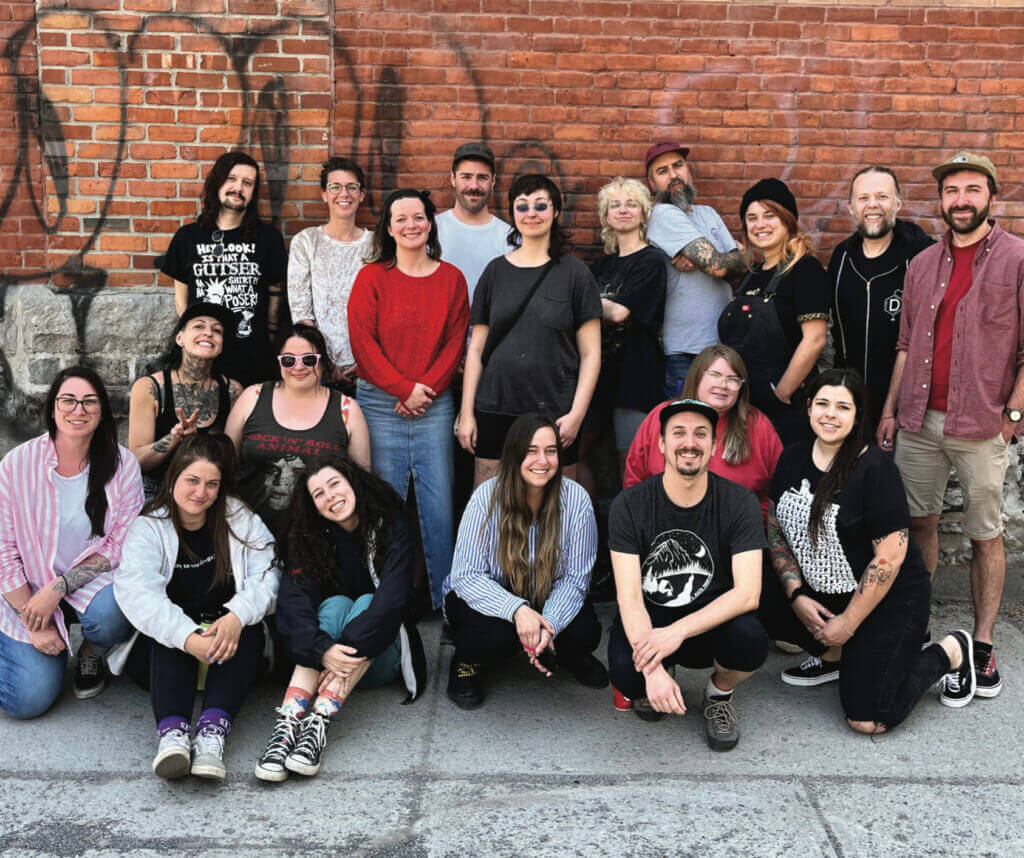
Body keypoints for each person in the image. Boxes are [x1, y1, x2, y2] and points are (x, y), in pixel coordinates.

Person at [877, 151, 1024, 700]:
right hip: (917, 420)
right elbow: (907, 344)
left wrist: (1011, 416)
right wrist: (890, 410)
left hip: (982, 423)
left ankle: (982, 643)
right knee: (919, 526)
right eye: (952, 191)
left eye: (972, 190)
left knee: (987, 535)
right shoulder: (921, 264)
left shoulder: (1016, 258)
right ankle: (917, 625)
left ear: (990, 195)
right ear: (940, 200)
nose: (961, 200)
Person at [760, 369, 978, 731]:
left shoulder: (875, 469)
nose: (831, 414)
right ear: (809, 407)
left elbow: (888, 560)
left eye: (843, 407)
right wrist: (795, 594)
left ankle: (950, 652)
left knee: (868, 717)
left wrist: (847, 623)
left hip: (889, 598)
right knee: (756, 591)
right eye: (823, 404)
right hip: (821, 589)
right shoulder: (792, 458)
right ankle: (834, 657)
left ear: (858, 415)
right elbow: (777, 531)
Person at [110, 434, 281, 780]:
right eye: (192, 480)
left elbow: (270, 570)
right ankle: (172, 736)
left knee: (246, 628)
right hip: (166, 657)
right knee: (167, 631)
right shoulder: (149, 527)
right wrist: (189, 638)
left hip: (229, 649)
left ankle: (211, 736)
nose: (200, 492)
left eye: (211, 484)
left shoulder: (237, 517)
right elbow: (137, 593)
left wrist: (235, 616)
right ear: (173, 477)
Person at [607, 398, 767, 751]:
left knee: (751, 640)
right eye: (678, 433)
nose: (689, 442)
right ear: (662, 444)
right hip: (652, 616)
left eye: (700, 434)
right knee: (626, 674)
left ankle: (718, 695)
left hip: (710, 624)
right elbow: (629, 596)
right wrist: (652, 669)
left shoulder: (738, 502)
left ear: (714, 445)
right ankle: (663, 675)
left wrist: (675, 634)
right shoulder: (629, 505)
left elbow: (748, 594)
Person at [254, 458, 426, 781]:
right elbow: (294, 603)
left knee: (366, 602)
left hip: (380, 654)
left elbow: (392, 601)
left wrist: (335, 652)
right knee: (334, 606)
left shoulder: (389, 524)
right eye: (318, 494)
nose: (330, 497)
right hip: (326, 658)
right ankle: (288, 727)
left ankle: (319, 720)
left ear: (353, 482)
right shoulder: (310, 537)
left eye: (335, 484)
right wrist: (321, 650)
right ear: (313, 507)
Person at [348, 188, 470, 608]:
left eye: (418, 217)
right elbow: (363, 343)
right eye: (401, 219)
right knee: (384, 499)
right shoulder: (372, 277)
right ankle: (384, 595)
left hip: (435, 402)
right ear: (388, 227)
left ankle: (445, 598)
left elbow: (456, 343)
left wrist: (424, 391)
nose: (411, 225)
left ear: (430, 222)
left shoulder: (451, 278)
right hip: (381, 403)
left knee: (438, 500)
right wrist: (403, 389)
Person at [0, 367, 143, 717]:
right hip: (25, 587)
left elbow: (121, 545)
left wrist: (60, 587)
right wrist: (34, 621)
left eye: (89, 402)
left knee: (116, 613)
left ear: (102, 411)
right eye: (68, 400)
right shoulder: (17, 465)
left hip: (88, 583)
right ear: (52, 408)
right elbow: (3, 550)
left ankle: (91, 651)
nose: (78, 410)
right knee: (27, 701)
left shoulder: (123, 466)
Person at [444, 414, 607, 709]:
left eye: (551, 451)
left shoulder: (577, 501)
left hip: (546, 597)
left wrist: (549, 625)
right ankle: (466, 661)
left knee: (584, 633)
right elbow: (466, 576)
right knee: (491, 638)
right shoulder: (486, 498)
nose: (542, 461)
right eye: (531, 451)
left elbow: (575, 580)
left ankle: (562, 651)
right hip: (492, 600)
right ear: (514, 455)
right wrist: (517, 611)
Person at [457, 173, 601, 486]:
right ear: (513, 214)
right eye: (522, 207)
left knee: (559, 506)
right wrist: (467, 413)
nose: (531, 214)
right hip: (496, 405)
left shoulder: (576, 275)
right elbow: (476, 349)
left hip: (557, 410)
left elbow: (591, 354)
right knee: (490, 503)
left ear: (556, 212)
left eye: (540, 206)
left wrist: (577, 414)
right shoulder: (495, 272)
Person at [225, 322, 370, 539]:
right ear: (279, 362)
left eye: (309, 360)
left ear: (322, 362)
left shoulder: (347, 410)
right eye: (289, 360)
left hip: (319, 542)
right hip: (249, 537)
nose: (298, 367)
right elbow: (226, 463)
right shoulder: (252, 397)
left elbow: (361, 482)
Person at [160, 150, 287, 386]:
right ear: (217, 182)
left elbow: (275, 296)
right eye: (231, 179)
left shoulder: (268, 239)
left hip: (252, 357)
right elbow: (182, 300)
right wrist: (194, 339)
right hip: (202, 357)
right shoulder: (187, 237)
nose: (238, 188)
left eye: (247, 183)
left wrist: (267, 336)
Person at [718, 178, 829, 445]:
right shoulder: (751, 274)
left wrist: (782, 392)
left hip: (785, 410)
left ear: (787, 220)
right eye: (752, 217)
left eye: (770, 215)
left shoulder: (804, 270)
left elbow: (815, 339)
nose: (760, 224)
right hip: (744, 408)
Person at [828, 166, 934, 432]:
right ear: (851, 207)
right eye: (863, 198)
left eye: (882, 197)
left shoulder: (922, 257)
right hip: (849, 406)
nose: (872, 205)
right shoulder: (841, 257)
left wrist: (894, 408)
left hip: (908, 410)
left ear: (898, 202)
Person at [623, 345, 783, 520]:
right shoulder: (663, 417)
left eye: (733, 379)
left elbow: (779, 490)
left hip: (737, 535)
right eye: (715, 375)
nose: (723, 385)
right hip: (663, 528)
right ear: (697, 376)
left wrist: (751, 523)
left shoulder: (757, 425)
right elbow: (635, 479)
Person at [644, 141, 746, 398]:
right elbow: (719, 266)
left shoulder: (708, 213)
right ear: (651, 184)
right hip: (686, 354)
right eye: (662, 171)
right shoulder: (663, 214)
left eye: (678, 166)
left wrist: (739, 258)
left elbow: (735, 270)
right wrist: (743, 255)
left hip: (722, 348)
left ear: (689, 171)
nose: (673, 175)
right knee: (687, 430)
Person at [582, 176, 666, 482]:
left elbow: (619, 312)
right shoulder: (601, 266)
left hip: (635, 376)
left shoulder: (652, 261)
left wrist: (581, 299)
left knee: (630, 465)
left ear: (643, 213)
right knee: (574, 454)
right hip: (594, 376)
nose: (623, 210)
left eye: (632, 204)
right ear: (605, 215)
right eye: (614, 205)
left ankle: (631, 530)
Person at [129, 302, 242, 499]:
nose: (208, 333)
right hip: (158, 491)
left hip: (206, 493)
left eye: (217, 330)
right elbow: (136, 461)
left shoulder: (232, 390)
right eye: (199, 326)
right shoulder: (149, 387)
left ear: (221, 345)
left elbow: (234, 461)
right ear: (180, 338)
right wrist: (174, 438)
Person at [287, 157, 372, 394]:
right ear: (324, 194)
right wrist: (324, 362)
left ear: (362, 194)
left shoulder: (376, 245)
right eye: (335, 187)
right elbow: (301, 313)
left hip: (370, 370)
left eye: (352, 187)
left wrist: (366, 361)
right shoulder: (306, 242)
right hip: (319, 369)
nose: (343, 194)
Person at [436, 142, 510, 309]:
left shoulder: (509, 237)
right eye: (466, 177)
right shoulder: (430, 230)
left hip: (490, 334)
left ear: (493, 182)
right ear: (453, 179)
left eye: (482, 177)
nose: (474, 186)